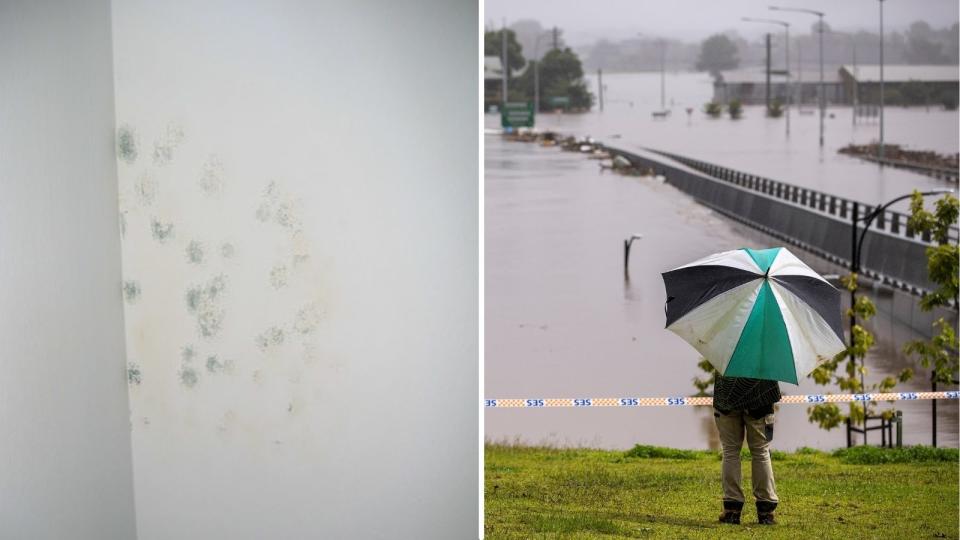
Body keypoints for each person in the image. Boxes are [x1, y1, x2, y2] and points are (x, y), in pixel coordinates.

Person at [713, 374, 781, 525]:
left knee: (730, 451)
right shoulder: (768, 349)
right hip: (761, 395)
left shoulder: (726, 349)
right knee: (761, 452)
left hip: (727, 395)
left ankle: (731, 510)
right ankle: (766, 512)